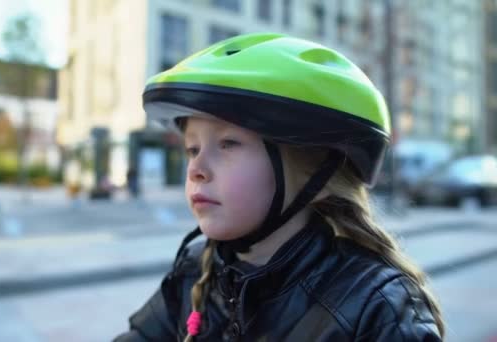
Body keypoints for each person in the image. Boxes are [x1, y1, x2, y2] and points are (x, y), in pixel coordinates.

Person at [114, 33, 444, 341]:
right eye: (192, 149)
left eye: (228, 144)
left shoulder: (377, 308)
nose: (197, 169)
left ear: (318, 177)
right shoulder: (194, 272)